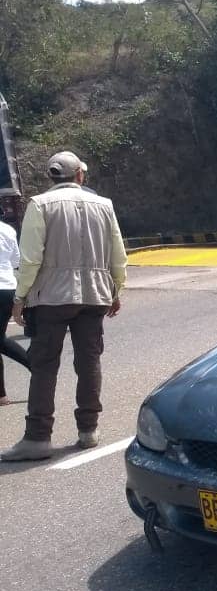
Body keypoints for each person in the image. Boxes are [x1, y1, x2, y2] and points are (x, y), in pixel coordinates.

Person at [1, 151, 126, 462]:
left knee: (44, 366)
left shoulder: (40, 205)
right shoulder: (105, 205)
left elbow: (30, 260)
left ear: (51, 177)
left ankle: (38, 437)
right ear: (80, 175)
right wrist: (115, 290)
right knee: (89, 361)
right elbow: (117, 255)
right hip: (95, 296)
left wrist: (21, 298)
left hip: (52, 299)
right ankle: (88, 430)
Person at [0, 216, 29, 405]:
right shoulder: (8, 230)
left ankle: (35, 365)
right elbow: (16, 261)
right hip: (7, 288)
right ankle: (1, 395)